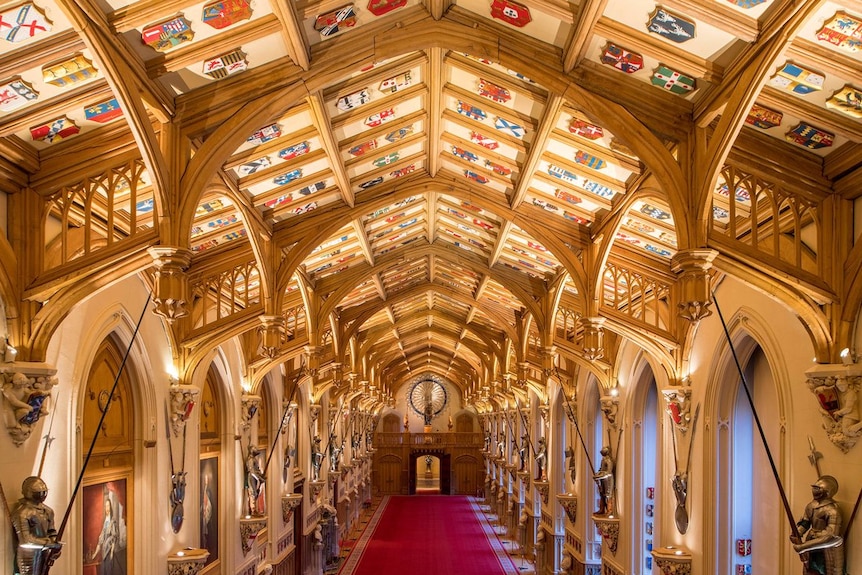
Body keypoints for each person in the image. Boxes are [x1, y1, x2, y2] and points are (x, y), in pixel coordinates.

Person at [791, 475, 844, 575]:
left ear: (827, 491)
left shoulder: (833, 510)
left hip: (828, 548)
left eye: (818, 488)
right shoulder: (811, 506)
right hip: (812, 542)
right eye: (814, 488)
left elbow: (831, 536)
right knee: (809, 571)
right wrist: (797, 532)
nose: (814, 490)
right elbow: (805, 522)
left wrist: (803, 547)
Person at [11, 476, 62, 575]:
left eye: (44, 492)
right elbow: (25, 540)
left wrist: (56, 546)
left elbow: (51, 531)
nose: (42, 495)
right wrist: (49, 544)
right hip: (28, 555)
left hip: (45, 553)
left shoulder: (47, 511)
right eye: (39, 493)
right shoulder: (22, 512)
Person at [89, 495, 126, 575]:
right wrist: (95, 553)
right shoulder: (105, 522)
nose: (107, 508)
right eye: (105, 506)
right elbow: (101, 539)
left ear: (111, 507)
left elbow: (114, 537)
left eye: (108, 505)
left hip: (110, 552)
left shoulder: (113, 522)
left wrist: (112, 551)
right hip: (104, 553)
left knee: (110, 570)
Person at [593, 446, 615, 515]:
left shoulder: (608, 460)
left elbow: (608, 471)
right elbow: (601, 469)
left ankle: (609, 510)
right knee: (602, 494)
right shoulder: (603, 460)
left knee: (608, 494)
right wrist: (597, 475)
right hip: (602, 479)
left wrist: (599, 476)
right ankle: (602, 509)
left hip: (608, 479)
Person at [245, 445, 265, 516]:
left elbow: (257, 470)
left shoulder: (254, 459)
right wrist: (260, 478)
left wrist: (261, 476)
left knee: (256, 493)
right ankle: (253, 510)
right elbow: (252, 471)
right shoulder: (250, 460)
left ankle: (254, 509)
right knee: (253, 493)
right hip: (251, 477)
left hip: (255, 478)